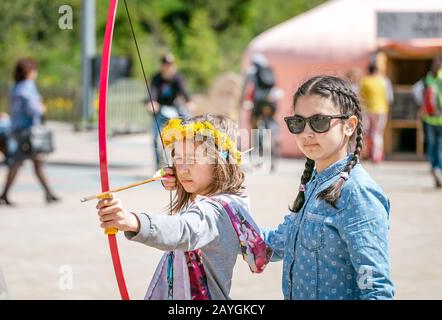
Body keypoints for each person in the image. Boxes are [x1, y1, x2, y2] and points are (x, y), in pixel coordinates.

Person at [162, 77, 395, 300]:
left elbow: (376, 288)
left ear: (349, 126)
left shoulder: (357, 193)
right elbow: (272, 244)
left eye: (319, 121)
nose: (307, 133)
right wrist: (196, 184)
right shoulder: (315, 182)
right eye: (298, 123)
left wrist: (136, 223)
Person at [96, 114, 271, 300]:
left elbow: (183, 230)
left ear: (220, 163)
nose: (183, 169)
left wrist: (133, 221)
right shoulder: (228, 206)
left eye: (193, 159)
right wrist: (181, 182)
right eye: (178, 159)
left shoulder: (214, 213)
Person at [0, 58, 59, 206]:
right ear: (29, 72)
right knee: (23, 162)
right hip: (28, 132)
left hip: (19, 130)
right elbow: (33, 110)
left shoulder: (16, 87)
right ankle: (47, 193)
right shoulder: (26, 87)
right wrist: (41, 108)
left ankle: (48, 193)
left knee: (27, 162)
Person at [147, 53, 194, 168]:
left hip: (175, 108)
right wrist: (152, 102)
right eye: (166, 65)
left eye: (170, 65)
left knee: (188, 125)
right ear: (162, 66)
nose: (168, 67)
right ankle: (159, 163)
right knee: (155, 136)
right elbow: (153, 92)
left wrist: (189, 102)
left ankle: (188, 157)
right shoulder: (156, 78)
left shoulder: (178, 77)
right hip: (160, 110)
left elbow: (183, 91)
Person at [412, 59, 442, 188]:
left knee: (436, 146)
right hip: (432, 119)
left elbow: (415, 92)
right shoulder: (427, 81)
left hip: (433, 119)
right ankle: (436, 168)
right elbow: (416, 92)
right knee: (434, 146)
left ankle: (436, 168)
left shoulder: (426, 81)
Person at [359, 62, 392, 163]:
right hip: (382, 110)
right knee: (377, 134)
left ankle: (367, 154)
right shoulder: (384, 80)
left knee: (367, 133)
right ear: (377, 70)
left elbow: (361, 97)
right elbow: (389, 98)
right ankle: (377, 156)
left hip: (369, 110)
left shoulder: (364, 81)